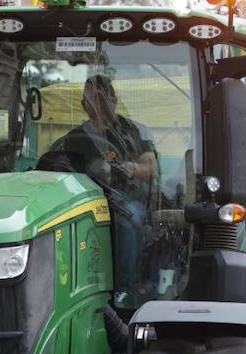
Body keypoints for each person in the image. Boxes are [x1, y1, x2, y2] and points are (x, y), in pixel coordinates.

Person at [39, 75, 158, 293]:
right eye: (92, 99)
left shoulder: (133, 130)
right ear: (83, 104)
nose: (97, 104)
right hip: (86, 203)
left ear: (113, 99)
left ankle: (126, 288)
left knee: (127, 222)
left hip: (128, 200)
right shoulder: (74, 139)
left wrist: (132, 168)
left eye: (102, 98)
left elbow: (151, 168)